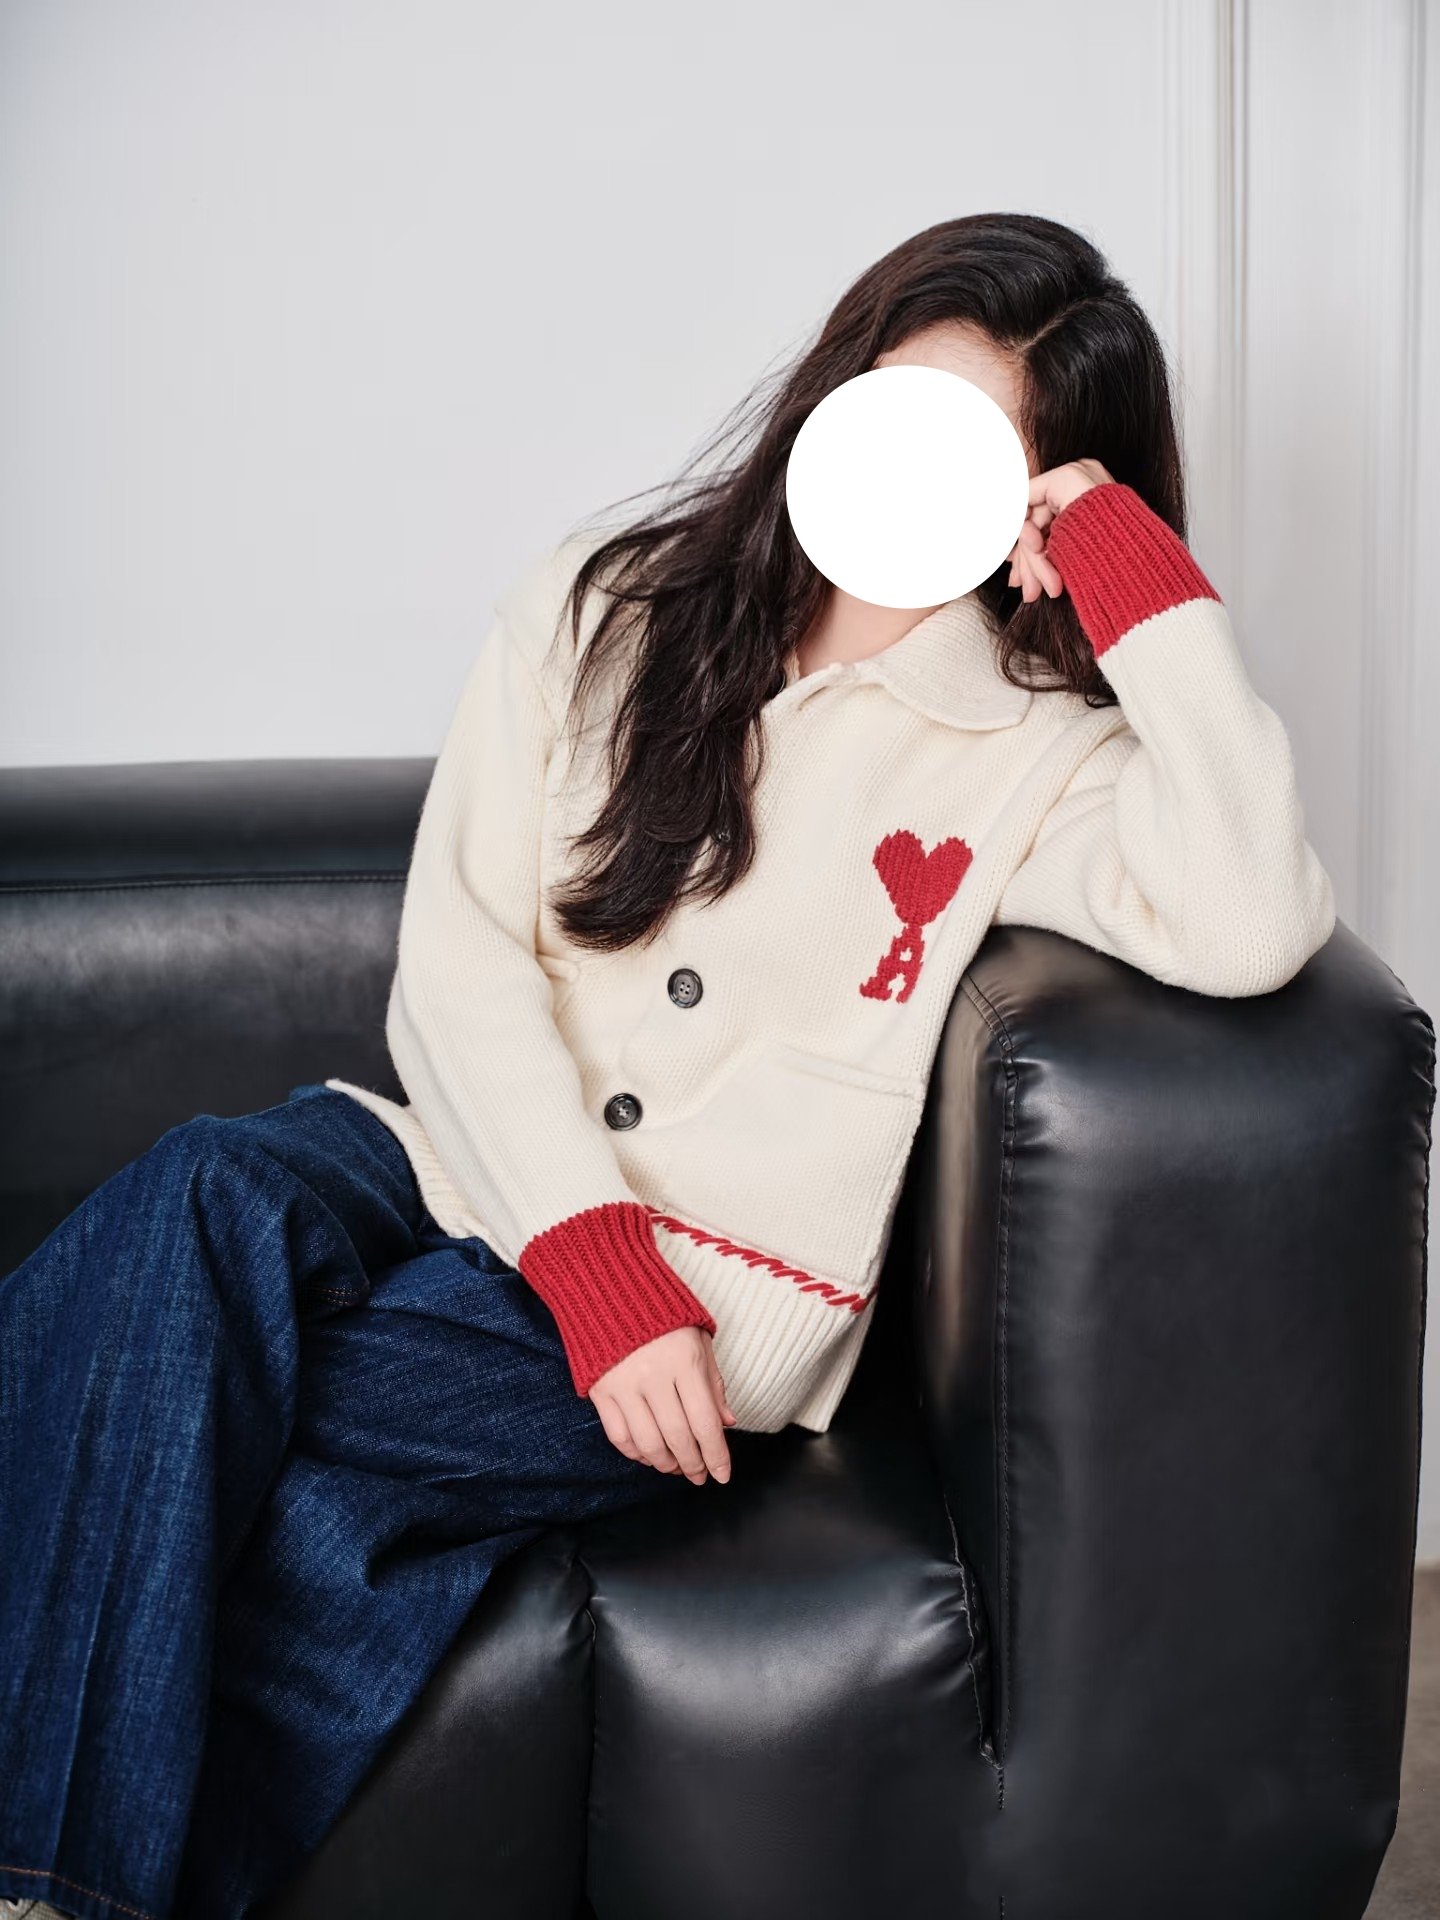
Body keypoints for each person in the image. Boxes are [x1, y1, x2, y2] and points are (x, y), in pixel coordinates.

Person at [0, 210, 1336, 1920]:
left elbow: (1246, 915)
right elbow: (463, 957)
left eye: (978, 450)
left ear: (1040, 503)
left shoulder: (1036, 758)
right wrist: (588, 1256)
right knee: (196, 1194)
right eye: (892, 405)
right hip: (457, 1165)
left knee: (243, 1462)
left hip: (698, 1308)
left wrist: (1141, 588)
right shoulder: (607, 605)